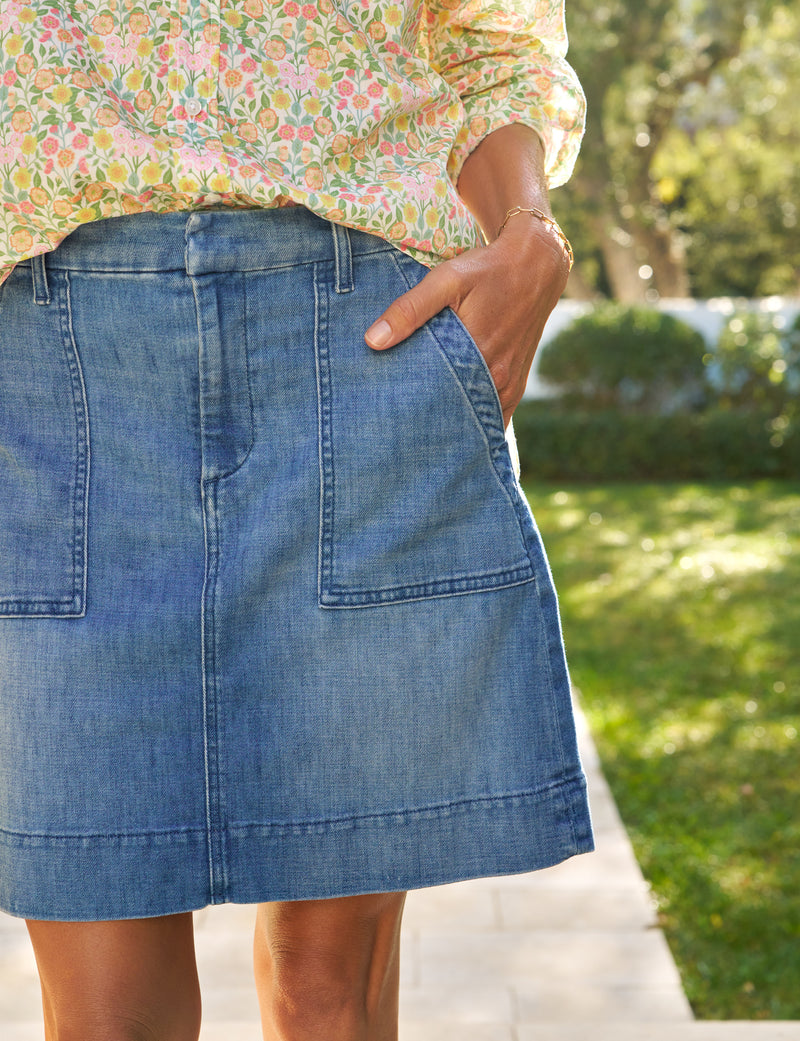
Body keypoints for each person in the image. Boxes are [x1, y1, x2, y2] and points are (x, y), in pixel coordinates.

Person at [0, 1, 593, 1038]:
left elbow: (490, 40)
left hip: (360, 340)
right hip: (55, 374)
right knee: (103, 1012)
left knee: (330, 995)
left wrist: (528, 233)